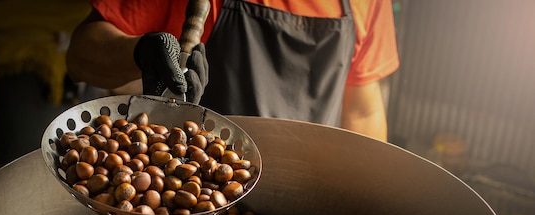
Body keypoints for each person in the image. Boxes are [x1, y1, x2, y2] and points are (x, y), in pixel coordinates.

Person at [66, 0, 399, 141]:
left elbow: (364, 112)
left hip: (305, 213)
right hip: (193, 200)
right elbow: (80, 55)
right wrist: (138, 52)